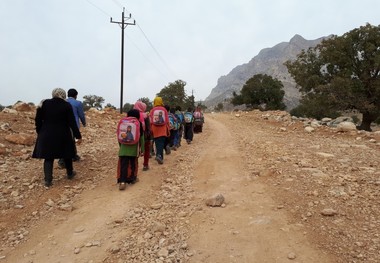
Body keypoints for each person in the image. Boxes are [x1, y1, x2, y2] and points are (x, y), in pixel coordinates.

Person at [32, 88, 82, 187]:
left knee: (48, 157)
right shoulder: (66, 105)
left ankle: (48, 180)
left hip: (46, 133)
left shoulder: (44, 103)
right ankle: (70, 173)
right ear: (63, 95)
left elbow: (38, 119)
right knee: (67, 153)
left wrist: (40, 131)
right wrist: (78, 136)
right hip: (63, 133)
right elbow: (72, 122)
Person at [117, 109, 144, 190]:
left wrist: (121, 146)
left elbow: (119, 136)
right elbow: (141, 138)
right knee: (133, 164)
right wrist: (142, 149)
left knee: (123, 166)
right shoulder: (138, 123)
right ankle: (132, 179)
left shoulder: (123, 122)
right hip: (134, 149)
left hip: (123, 149)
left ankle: (122, 182)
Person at [58, 88, 86, 167]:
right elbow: (81, 115)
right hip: (73, 125)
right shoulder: (78, 103)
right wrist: (84, 123)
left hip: (62, 125)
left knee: (65, 141)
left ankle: (73, 156)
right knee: (70, 141)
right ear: (76, 95)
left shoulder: (63, 102)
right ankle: (63, 160)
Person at [149, 97, 170, 165]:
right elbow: (167, 121)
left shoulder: (152, 110)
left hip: (154, 128)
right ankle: (159, 156)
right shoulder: (164, 110)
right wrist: (168, 128)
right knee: (161, 142)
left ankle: (159, 156)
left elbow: (150, 121)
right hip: (162, 128)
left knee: (157, 142)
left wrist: (150, 128)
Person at [133, 100, 151, 171]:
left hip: (135, 137)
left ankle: (134, 166)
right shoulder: (145, 115)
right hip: (145, 136)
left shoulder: (132, 114)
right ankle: (145, 165)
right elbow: (148, 128)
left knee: (135, 151)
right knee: (146, 150)